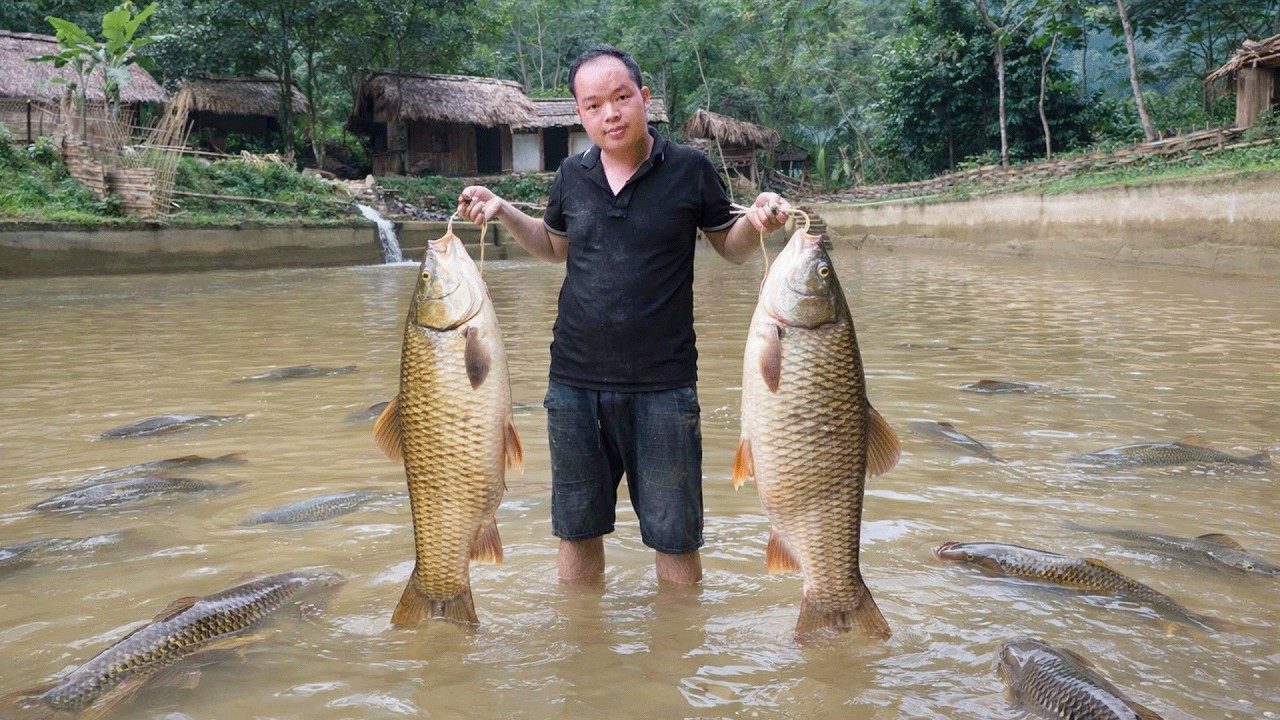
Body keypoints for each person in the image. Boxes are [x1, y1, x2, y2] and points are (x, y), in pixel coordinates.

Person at [457, 44, 791, 586]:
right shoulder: (572, 173)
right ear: (580, 114)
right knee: (577, 534)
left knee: (675, 539)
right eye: (592, 105)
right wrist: (503, 209)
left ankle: (675, 653)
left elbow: (730, 248)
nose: (609, 114)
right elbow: (553, 246)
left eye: (619, 98)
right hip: (573, 385)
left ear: (643, 98)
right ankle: (584, 653)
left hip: (663, 385)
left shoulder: (690, 169)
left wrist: (756, 221)